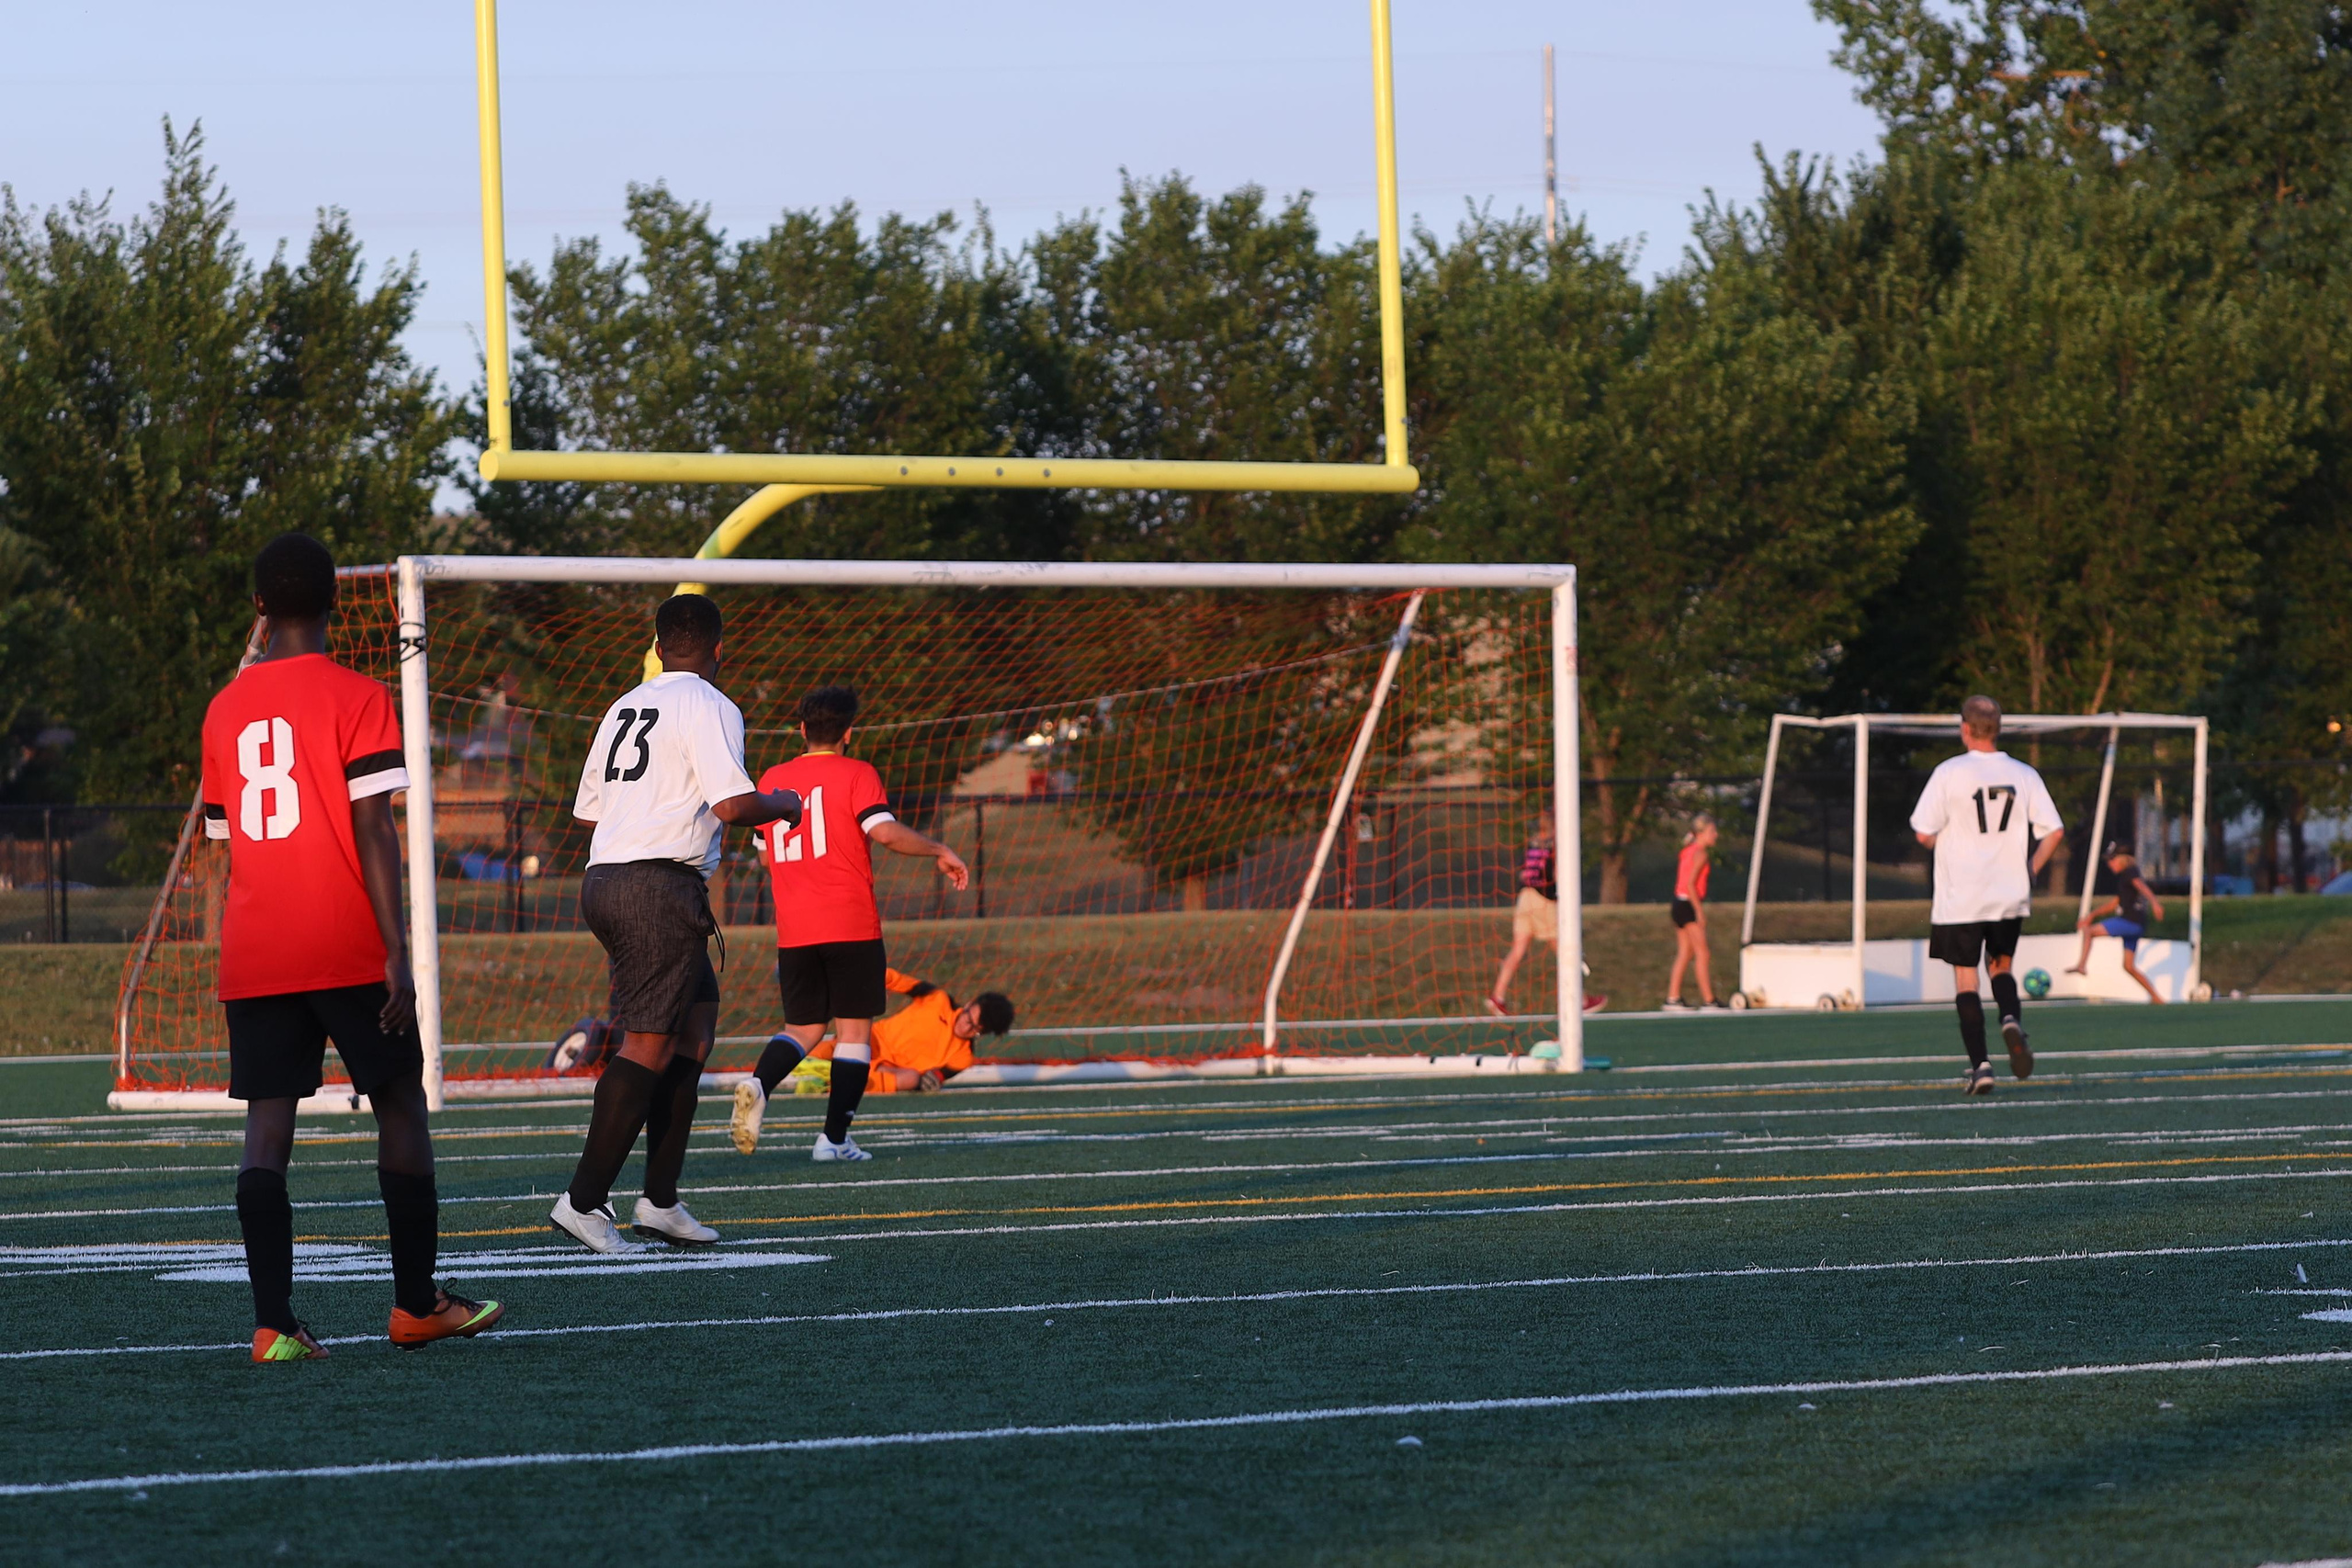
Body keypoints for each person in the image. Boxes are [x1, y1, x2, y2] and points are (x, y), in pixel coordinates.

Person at [201, 532, 502, 1361]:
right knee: (401, 1103)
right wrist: (397, 951)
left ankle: (273, 1324)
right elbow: (374, 825)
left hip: (257, 948)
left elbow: (228, 840)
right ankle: (415, 1306)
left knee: (267, 1129)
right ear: (336, 602)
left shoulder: (224, 708)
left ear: (259, 607)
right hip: (343, 943)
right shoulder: (359, 693)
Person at [549, 593, 803, 1253]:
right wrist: (784, 803)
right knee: (648, 1045)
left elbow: (589, 809)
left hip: (607, 877)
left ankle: (660, 1200)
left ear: (659, 646)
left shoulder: (624, 703)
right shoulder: (713, 703)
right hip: (655, 886)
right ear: (722, 649)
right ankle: (582, 1202)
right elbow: (732, 802)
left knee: (695, 1026)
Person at [729, 685, 972, 1159]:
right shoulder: (858, 773)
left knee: (803, 1028)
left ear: (801, 729)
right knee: (854, 1033)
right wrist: (939, 849)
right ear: (848, 733)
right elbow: (883, 832)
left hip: (795, 928)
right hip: (850, 922)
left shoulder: (774, 778)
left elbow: (763, 857)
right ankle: (833, 1140)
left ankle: (759, 1084)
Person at [1909, 695, 2064, 1095]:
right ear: (1998, 728)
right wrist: (2030, 868)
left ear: (1964, 728)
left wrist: (1944, 840)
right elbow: (2054, 831)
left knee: (1966, 979)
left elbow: (1924, 833)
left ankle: (1981, 1067)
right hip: (2008, 891)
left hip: (1961, 895)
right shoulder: (2024, 773)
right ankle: (2010, 1018)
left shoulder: (1948, 773)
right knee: (2001, 966)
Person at [787, 968, 1015, 1094]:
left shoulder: (963, 1058)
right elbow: (895, 979)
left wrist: (931, 1081)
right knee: (809, 1052)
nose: (966, 1025)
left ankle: (833, 1080)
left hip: (892, 1070)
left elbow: (932, 1080)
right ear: (969, 1003)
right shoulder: (938, 999)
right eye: (968, 1017)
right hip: (870, 1040)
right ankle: (821, 1071)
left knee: (911, 1079)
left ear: (982, 1034)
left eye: (975, 1028)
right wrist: (876, 984)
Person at [1484, 807, 1605, 1018]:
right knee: (1563, 949)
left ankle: (1498, 996)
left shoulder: (1531, 844)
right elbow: (1557, 874)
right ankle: (1581, 1000)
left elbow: (1524, 873)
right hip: (1544, 901)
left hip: (1525, 898)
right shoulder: (1555, 846)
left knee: (1518, 949)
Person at [2069, 842, 2168, 1003]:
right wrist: (2092, 914)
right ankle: (2156, 997)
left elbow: (2142, 887)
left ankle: (2081, 965)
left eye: (2112, 860)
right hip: (2137, 926)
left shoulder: (2130, 873)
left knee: (2089, 931)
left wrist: (2155, 903)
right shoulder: (2126, 877)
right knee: (2128, 966)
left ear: (2123, 859)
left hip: (2129, 922)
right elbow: (2115, 903)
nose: (2109, 864)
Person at [1663, 814, 1722, 1010]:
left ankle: (1672, 998)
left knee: (1685, 952)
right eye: (1712, 832)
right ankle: (1709, 1000)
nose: (1716, 835)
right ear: (1701, 834)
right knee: (1702, 953)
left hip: (1677, 904)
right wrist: (1699, 912)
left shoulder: (1688, 851)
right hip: (1687, 905)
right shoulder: (1700, 854)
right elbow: (1690, 885)